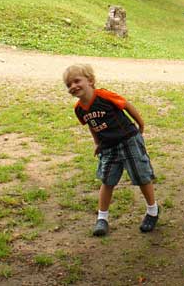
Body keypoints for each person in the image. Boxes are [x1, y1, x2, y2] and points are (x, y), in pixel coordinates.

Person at [63, 63, 159, 236]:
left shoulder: (105, 96)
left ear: (90, 81)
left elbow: (126, 105)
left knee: (141, 176)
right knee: (107, 180)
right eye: (69, 85)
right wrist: (97, 143)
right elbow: (92, 125)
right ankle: (102, 218)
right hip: (107, 147)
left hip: (128, 140)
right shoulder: (79, 109)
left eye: (77, 81)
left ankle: (152, 210)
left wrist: (141, 124)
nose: (73, 86)